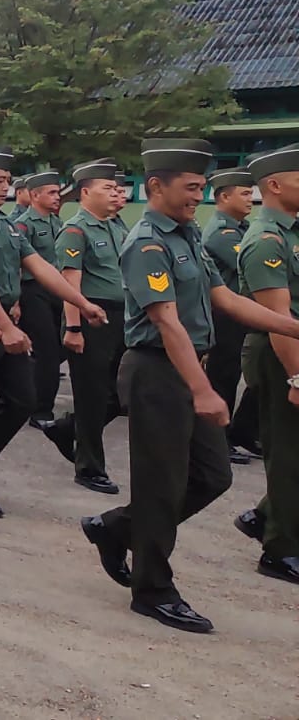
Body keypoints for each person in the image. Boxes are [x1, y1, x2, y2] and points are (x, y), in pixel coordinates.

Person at [79, 139, 299, 632]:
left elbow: (223, 297)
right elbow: (167, 323)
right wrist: (202, 389)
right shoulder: (147, 243)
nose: (197, 197)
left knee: (214, 475)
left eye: (201, 189)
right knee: (162, 485)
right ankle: (153, 589)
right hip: (157, 371)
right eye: (191, 188)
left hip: (183, 367)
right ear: (156, 186)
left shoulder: (187, 235)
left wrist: (292, 326)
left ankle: (115, 527)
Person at [0, 146, 105, 518]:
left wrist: (82, 302)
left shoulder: (6, 224)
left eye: (7, 181)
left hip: (2, 323)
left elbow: (42, 268)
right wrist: (4, 327)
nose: (5, 186)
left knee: (22, 399)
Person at [232, 147, 299, 585]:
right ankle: (280, 551)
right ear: (273, 185)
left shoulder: (291, 233)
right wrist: (297, 375)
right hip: (281, 351)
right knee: (289, 453)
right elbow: (279, 321)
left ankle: (263, 517)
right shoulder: (265, 240)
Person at [51, 160, 131, 494]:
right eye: (107, 188)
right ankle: (89, 468)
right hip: (89, 318)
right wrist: (73, 328)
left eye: (116, 188)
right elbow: (70, 283)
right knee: (91, 396)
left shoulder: (116, 227)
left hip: (120, 317)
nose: (115, 193)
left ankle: (67, 428)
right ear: (86, 192)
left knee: (120, 394)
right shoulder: (75, 230)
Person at [202, 167, 261, 465]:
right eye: (246, 194)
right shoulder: (221, 233)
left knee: (242, 375)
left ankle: (239, 433)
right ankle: (217, 439)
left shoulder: (241, 228)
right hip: (225, 314)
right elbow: (248, 267)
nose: (252, 199)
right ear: (224, 197)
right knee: (223, 376)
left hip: (240, 312)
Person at [10, 171, 65, 435]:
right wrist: (17, 302)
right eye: (52, 192)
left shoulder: (57, 222)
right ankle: (41, 410)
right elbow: (17, 266)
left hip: (57, 291)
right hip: (33, 292)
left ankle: (32, 390)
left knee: (57, 349)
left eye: (58, 192)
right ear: (34, 195)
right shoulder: (23, 225)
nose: (57, 197)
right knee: (47, 352)